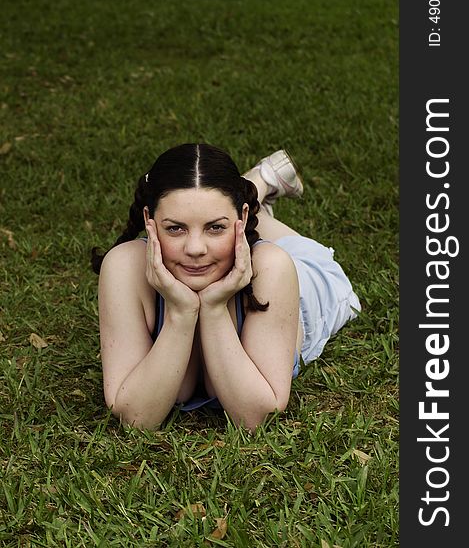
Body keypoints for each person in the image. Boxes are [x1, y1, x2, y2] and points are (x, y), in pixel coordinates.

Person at [91, 143, 360, 432]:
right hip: (232, 246)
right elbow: (137, 417)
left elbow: (256, 416)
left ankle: (260, 188)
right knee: (215, 223)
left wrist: (215, 307)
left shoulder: (273, 268)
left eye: (215, 227)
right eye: (175, 228)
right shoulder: (124, 266)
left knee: (274, 247)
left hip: (306, 283)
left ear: (242, 219)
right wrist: (182, 312)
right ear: (149, 222)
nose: (195, 249)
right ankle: (255, 188)